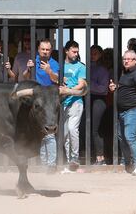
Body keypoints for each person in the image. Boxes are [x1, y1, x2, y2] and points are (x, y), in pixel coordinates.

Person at [109, 50, 136, 175]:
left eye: (129, 59)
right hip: (122, 112)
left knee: (130, 136)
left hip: (133, 111)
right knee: (122, 138)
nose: (126, 61)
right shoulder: (123, 73)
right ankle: (128, 164)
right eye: (124, 59)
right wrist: (114, 88)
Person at [25, 39, 59, 173]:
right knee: (38, 133)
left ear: (51, 51)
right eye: (43, 49)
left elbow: (57, 79)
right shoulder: (34, 61)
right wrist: (28, 69)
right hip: (37, 102)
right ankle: (44, 164)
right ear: (38, 49)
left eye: (47, 50)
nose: (45, 52)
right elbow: (25, 77)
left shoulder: (54, 63)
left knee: (49, 133)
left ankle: (51, 165)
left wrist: (49, 71)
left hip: (49, 102)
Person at [60, 40, 87, 172]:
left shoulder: (81, 67)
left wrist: (68, 91)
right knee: (64, 133)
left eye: (77, 51)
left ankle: (74, 158)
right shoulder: (60, 66)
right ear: (66, 51)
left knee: (72, 129)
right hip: (63, 102)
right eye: (73, 51)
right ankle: (69, 159)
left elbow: (81, 84)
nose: (76, 54)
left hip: (76, 102)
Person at [90, 45, 109, 165]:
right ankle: (94, 156)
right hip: (90, 100)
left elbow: (103, 89)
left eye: (95, 53)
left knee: (96, 130)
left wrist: (88, 85)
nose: (92, 55)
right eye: (91, 53)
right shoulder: (88, 67)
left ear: (100, 54)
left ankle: (100, 157)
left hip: (98, 100)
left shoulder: (102, 69)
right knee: (90, 129)